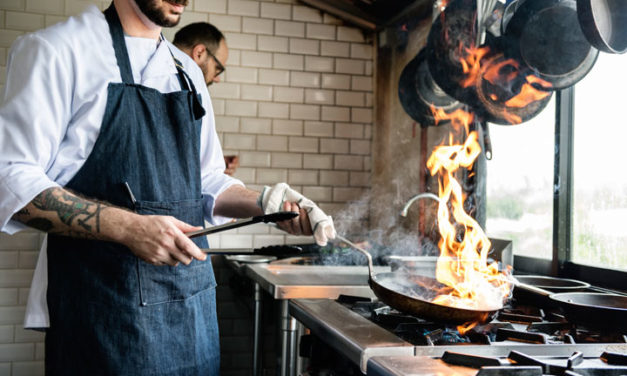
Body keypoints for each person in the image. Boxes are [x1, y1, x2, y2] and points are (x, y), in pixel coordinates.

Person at [0, 0, 335, 375]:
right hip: (104, 314)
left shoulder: (186, 72)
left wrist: (266, 201)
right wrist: (129, 228)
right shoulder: (58, 50)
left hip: (191, 312)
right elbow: (10, 178)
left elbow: (206, 179)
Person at [173, 21, 239, 175]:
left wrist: (209, 163)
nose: (217, 79)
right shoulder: (178, 90)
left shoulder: (189, 89)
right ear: (199, 53)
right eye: (218, 69)